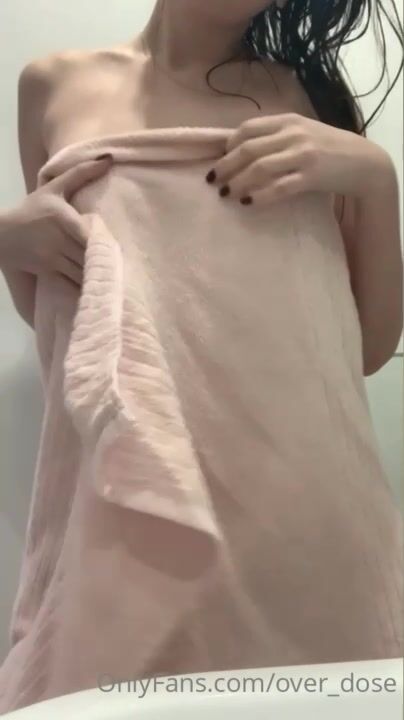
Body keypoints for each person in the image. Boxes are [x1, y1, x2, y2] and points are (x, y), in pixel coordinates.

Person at [0, 0, 403, 712]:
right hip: (127, 507)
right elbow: (68, 324)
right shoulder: (51, 85)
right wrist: (8, 242)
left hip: (304, 509)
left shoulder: (309, 95)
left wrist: (376, 176)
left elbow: (369, 346)